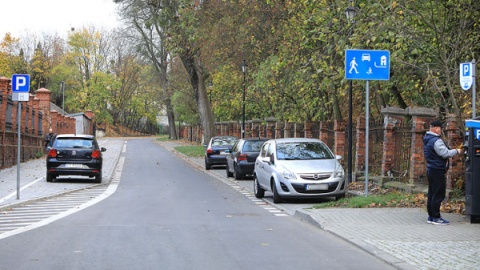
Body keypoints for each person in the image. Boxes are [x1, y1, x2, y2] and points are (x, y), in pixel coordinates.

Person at [423, 120, 462, 225]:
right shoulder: (436, 140)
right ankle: (436, 217)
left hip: (431, 169)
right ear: (436, 128)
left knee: (432, 193)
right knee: (438, 194)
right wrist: (457, 151)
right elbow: (445, 153)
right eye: (440, 128)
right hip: (437, 170)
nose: (441, 130)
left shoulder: (427, 139)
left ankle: (431, 216)